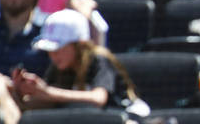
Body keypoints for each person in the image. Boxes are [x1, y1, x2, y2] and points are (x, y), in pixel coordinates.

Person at [10, 8, 138, 113]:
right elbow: (48, 100)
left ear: (79, 46)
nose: (53, 55)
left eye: (58, 49)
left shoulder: (99, 60)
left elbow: (98, 98)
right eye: (49, 50)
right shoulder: (59, 66)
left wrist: (48, 92)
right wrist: (24, 91)